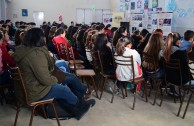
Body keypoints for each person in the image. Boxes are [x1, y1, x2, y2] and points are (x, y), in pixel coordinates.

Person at [13, 28, 95, 120]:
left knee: (63, 87)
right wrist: (56, 80)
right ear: (39, 39)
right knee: (64, 90)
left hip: (30, 87)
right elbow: (45, 79)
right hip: (35, 91)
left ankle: (77, 109)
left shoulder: (25, 50)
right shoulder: (34, 55)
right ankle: (81, 106)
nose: (45, 39)